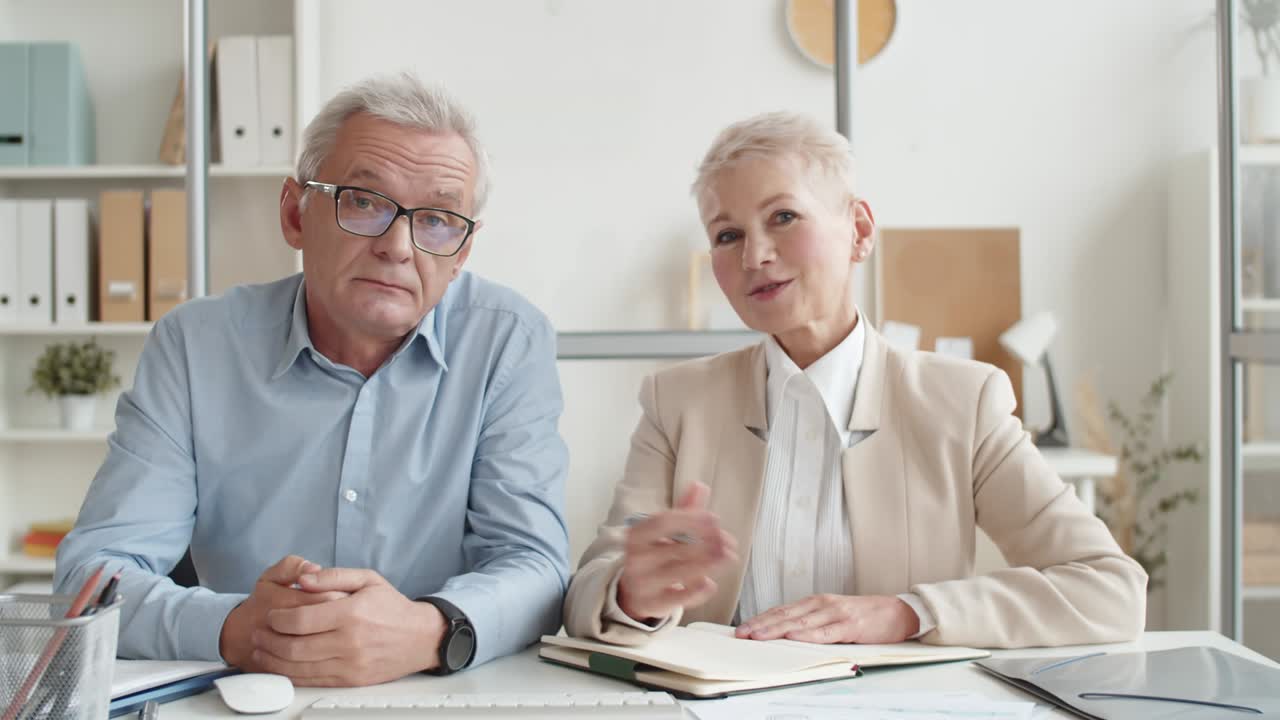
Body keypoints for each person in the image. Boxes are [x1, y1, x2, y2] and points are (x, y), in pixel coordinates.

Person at [55, 73, 570, 686]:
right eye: (365, 202)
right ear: (295, 214)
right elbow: (93, 576)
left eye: (436, 219)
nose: (399, 247)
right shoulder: (196, 346)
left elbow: (534, 562)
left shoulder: (507, 341)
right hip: (242, 692)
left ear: (462, 252)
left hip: (435, 695)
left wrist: (429, 631)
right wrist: (239, 628)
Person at [564, 111, 1147, 648]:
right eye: (727, 234)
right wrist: (631, 594)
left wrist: (906, 612)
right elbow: (591, 585)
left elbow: (1110, 589)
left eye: (783, 217)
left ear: (860, 231)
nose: (754, 256)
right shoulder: (677, 401)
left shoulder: (962, 402)